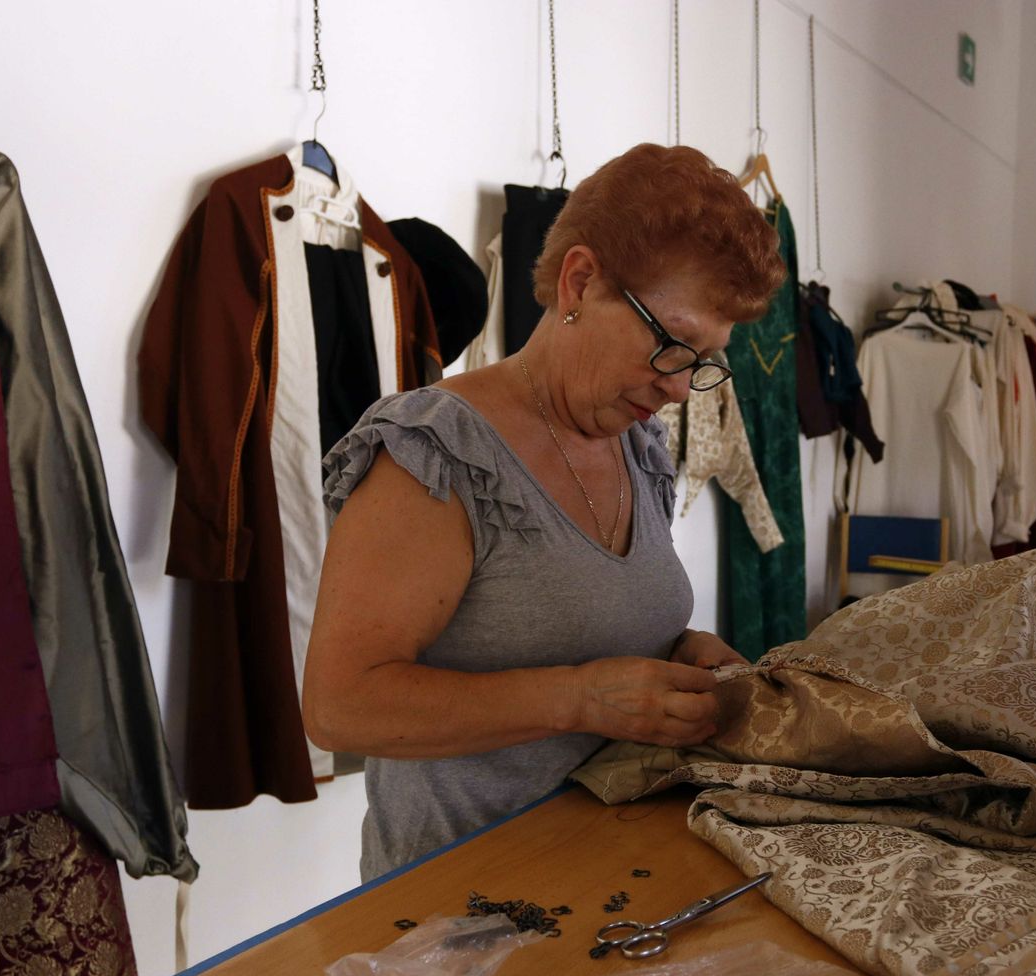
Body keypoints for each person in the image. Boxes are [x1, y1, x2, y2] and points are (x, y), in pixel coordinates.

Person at [303, 144, 787, 880]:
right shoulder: (435, 450)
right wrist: (581, 698)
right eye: (673, 344)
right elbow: (341, 706)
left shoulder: (638, 446)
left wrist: (676, 651)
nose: (684, 388)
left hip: (618, 874)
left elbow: (567, 613)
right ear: (580, 281)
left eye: (705, 359)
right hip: (460, 910)